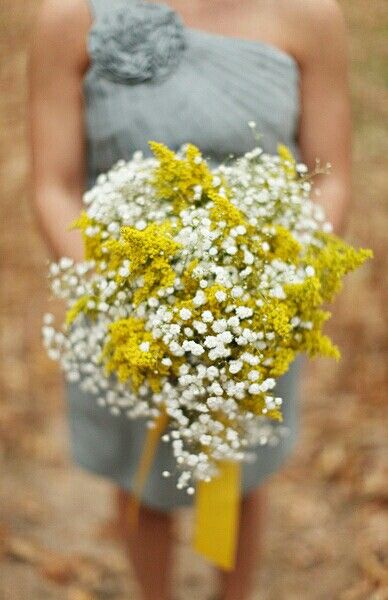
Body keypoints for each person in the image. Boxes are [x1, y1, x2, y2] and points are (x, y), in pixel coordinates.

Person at [29, 1, 351, 598]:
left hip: (259, 306)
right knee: (140, 474)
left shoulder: (311, 15)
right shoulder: (69, 15)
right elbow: (54, 185)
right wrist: (126, 296)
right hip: (125, 305)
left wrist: (275, 286)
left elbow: (330, 176)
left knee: (243, 470)